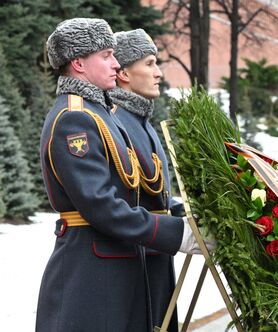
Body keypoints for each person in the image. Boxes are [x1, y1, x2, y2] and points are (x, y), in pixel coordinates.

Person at [37, 18, 207, 331]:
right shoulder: (74, 118)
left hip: (119, 267)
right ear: (78, 63)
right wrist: (178, 234)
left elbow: (138, 193)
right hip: (91, 276)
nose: (116, 64)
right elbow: (101, 206)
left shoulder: (98, 113)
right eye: (106, 56)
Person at [109, 28, 180, 331]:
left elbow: (158, 195)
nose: (159, 73)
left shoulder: (141, 120)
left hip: (156, 257)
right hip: (133, 258)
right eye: (150, 64)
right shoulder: (114, 120)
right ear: (123, 72)